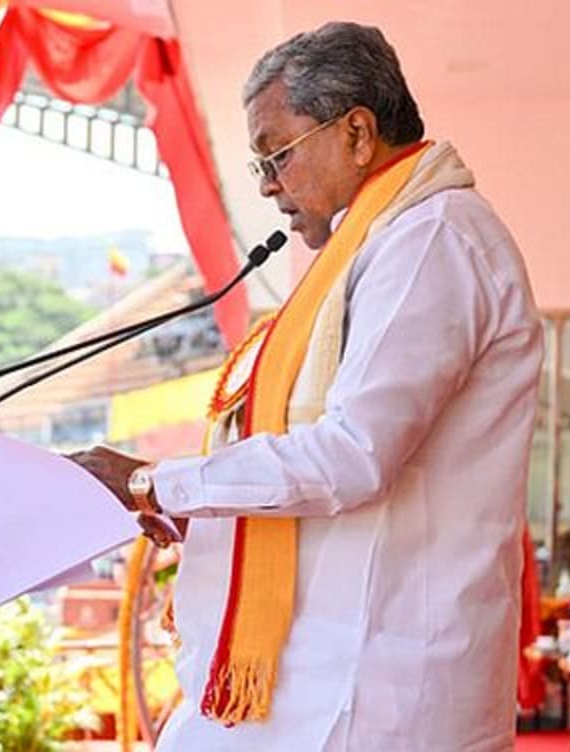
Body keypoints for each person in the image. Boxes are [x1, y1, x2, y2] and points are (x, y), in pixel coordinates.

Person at [71, 21, 542, 751]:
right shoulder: (379, 242)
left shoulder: (431, 238)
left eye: (277, 155)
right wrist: (207, 511)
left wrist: (153, 483)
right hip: (325, 673)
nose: (267, 185)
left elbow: (354, 455)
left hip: (384, 685)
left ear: (356, 133)